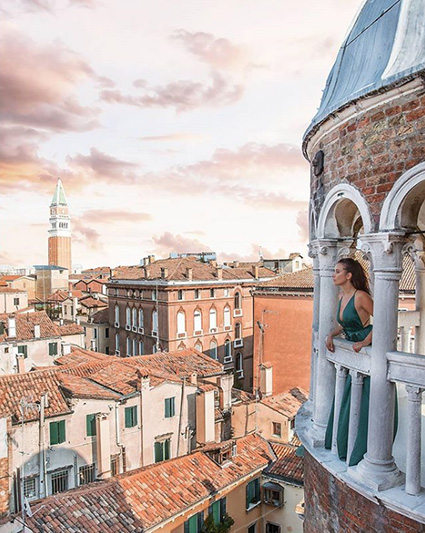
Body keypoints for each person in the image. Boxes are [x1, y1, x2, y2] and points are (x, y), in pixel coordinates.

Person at [324, 257, 373, 466]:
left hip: (366, 350)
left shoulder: (361, 296)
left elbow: (383, 321)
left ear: (349, 275)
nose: (334, 275)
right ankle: (343, 443)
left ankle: (361, 447)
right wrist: (330, 335)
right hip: (352, 349)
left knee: (363, 400)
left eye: (337, 271)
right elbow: (346, 325)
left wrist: (364, 342)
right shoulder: (343, 296)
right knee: (347, 399)